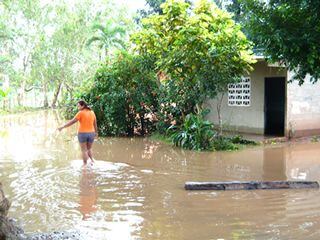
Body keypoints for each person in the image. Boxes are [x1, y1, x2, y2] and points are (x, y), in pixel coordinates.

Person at [58, 100, 98, 165]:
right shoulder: (92, 112)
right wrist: (96, 133)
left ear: (83, 106)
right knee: (89, 148)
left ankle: (85, 165)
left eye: (78, 106)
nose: (78, 107)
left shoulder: (80, 113)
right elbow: (95, 123)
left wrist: (62, 127)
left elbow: (72, 122)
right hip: (91, 133)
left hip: (82, 134)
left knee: (84, 150)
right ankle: (92, 161)